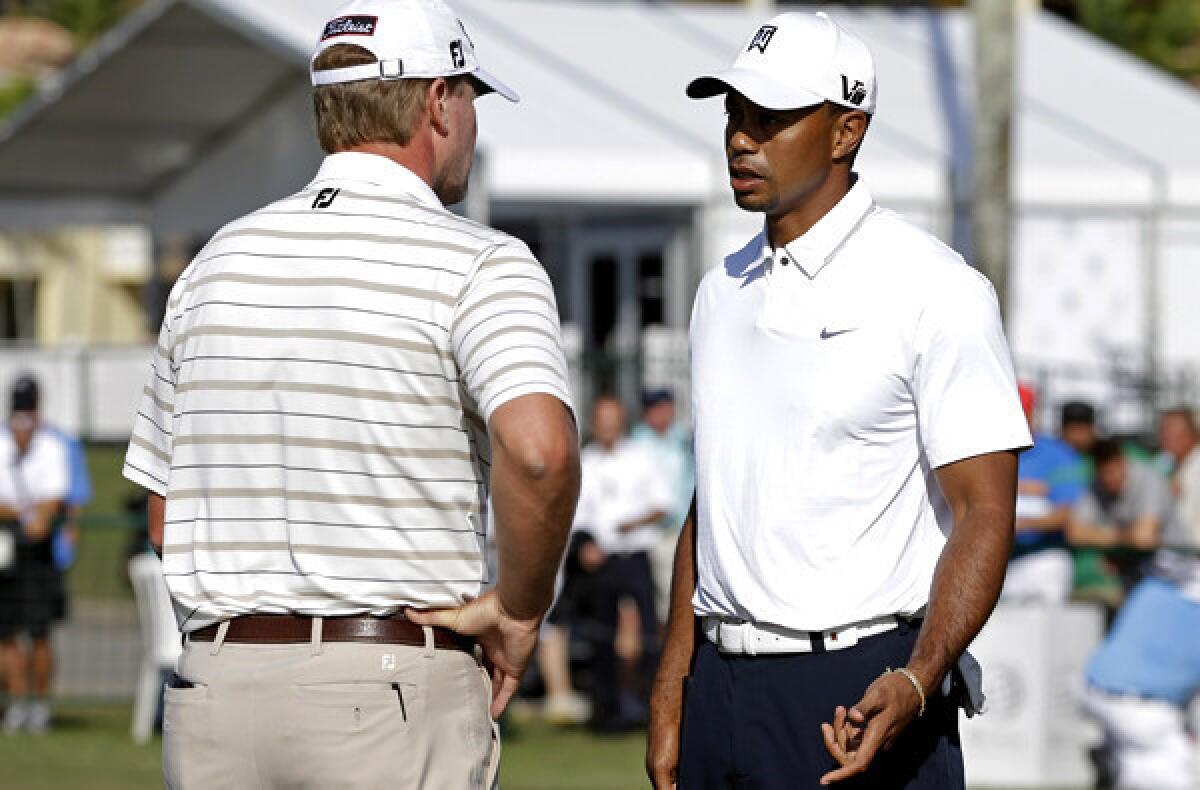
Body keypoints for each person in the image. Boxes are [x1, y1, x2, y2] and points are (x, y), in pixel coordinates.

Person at [120, 1, 580, 786]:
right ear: (438, 102)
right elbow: (539, 454)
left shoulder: (215, 262)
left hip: (215, 694)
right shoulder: (480, 262)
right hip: (388, 689)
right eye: (470, 97)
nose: (472, 122)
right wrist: (519, 609)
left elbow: (167, 505)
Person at [647, 13, 1031, 790]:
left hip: (860, 687)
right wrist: (671, 677)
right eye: (733, 114)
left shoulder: (937, 290)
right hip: (718, 686)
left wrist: (921, 677)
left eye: (772, 118)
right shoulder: (719, 289)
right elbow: (713, 497)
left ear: (845, 131)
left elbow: (985, 512)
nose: (740, 139)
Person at [1080, 408, 1200, 790]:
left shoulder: (1155, 477)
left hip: (1113, 690)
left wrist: (1112, 538)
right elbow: (1082, 530)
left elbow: (1144, 538)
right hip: (1140, 705)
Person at [574, 395, 673, 731]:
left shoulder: (640, 458)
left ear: (622, 421)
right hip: (603, 559)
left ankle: (651, 706)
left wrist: (633, 523)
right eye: (601, 420)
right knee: (602, 635)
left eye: (612, 419)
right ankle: (606, 709)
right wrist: (586, 545)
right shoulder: (587, 461)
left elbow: (662, 504)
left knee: (648, 632)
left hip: (635, 555)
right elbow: (579, 514)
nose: (606, 426)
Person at [0, 374, 70, 734]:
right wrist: (25, 513)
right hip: (6, 552)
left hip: (39, 556)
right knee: (6, 633)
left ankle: (40, 704)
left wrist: (34, 514)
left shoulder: (52, 447)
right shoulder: (1, 445)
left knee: (40, 633)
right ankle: (17, 703)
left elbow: (52, 502)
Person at [1002, 383, 1087, 603]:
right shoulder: (990, 454)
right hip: (1001, 560)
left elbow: (1067, 514)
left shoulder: (1060, 455)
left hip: (1045, 558)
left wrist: (1022, 523)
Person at [1069, 438, 1173, 601]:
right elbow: (1075, 533)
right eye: (1103, 472)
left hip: (1175, 569)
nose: (1109, 478)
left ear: (1122, 462)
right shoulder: (1097, 484)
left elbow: (1144, 537)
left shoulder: (1149, 478)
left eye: (1112, 470)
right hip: (1133, 570)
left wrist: (1101, 536)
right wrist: (1123, 539)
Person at [629, 388, 695, 620]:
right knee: (666, 594)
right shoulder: (637, 442)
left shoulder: (681, 438)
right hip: (657, 529)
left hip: (685, 524)